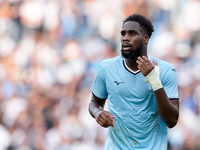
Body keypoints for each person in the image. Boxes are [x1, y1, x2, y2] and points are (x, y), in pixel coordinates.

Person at [88, 14, 179, 150]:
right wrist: (97, 113)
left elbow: (172, 121)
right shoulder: (106, 67)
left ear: (146, 39)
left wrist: (154, 80)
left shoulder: (166, 70)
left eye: (132, 33)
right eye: (123, 33)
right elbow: (94, 103)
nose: (125, 38)